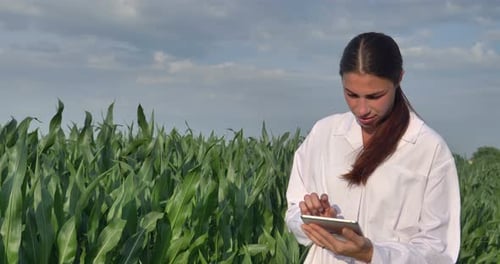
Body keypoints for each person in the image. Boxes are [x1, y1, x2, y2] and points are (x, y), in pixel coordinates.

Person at [284, 32, 461, 263]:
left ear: (399, 79)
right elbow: (293, 212)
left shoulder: (429, 149)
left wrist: (370, 253)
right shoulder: (324, 133)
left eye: (375, 96)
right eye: (351, 94)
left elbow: (439, 252)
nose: (361, 109)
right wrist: (315, 219)